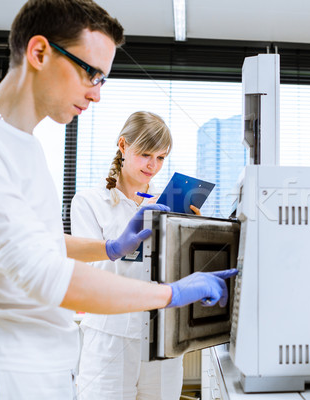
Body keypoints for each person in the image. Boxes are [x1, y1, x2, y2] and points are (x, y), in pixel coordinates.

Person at [0, 1, 237, 399]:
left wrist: (112, 248)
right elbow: (46, 273)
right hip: (4, 370)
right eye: (90, 73)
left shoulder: (26, 148)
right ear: (39, 52)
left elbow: (42, 244)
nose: (96, 94)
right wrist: (172, 294)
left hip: (47, 363)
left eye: (103, 80)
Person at [71, 111, 198, 399]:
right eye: (145, 154)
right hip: (109, 336)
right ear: (123, 146)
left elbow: (180, 270)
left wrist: (194, 231)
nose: (153, 165)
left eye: (161, 157)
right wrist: (119, 243)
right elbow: (87, 269)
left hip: (162, 337)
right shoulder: (89, 202)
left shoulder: (168, 206)